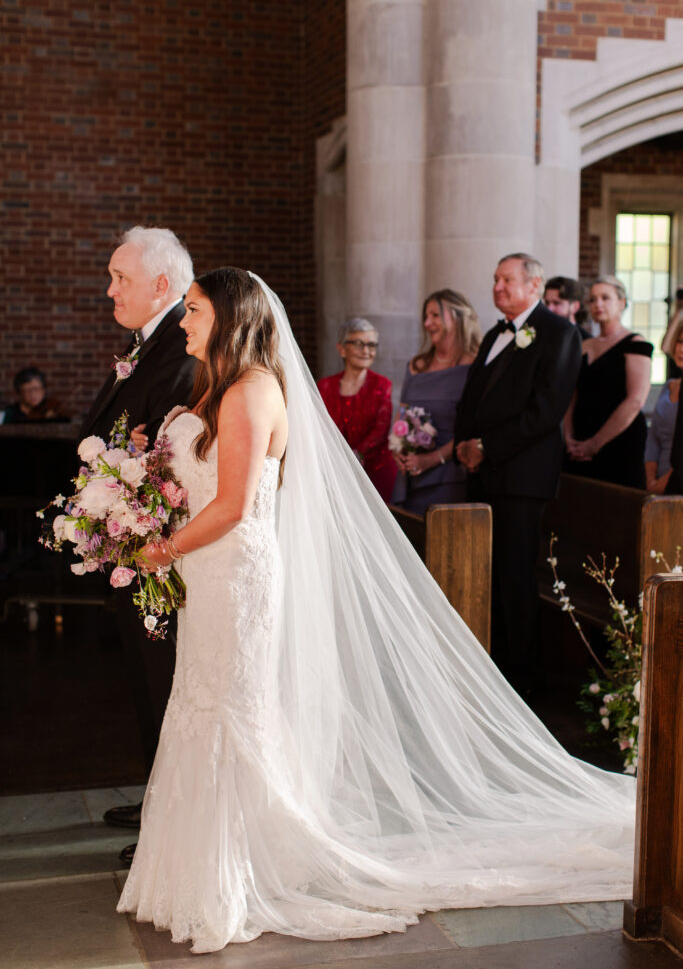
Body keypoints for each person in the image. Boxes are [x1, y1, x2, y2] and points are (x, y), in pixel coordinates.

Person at [117, 267, 634, 954]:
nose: (183, 322)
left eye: (195, 310)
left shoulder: (250, 392)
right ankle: (197, 862)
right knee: (202, 703)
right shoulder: (215, 389)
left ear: (232, 320)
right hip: (209, 573)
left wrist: (161, 550)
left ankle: (241, 863)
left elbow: (236, 505)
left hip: (235, 574)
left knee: (230, 708)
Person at [81, 225, 197, 852]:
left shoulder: (183, 351)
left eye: (119, 278)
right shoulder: (145, 345)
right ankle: (161, 796)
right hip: (133, 548)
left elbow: (163, 457)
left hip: (162, 555)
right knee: (146, 680)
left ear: (161, 285)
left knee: (167, 682)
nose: (109, 290)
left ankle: (174, 822)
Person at [454, 254, 582, 696]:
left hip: (523, 478)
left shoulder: (560, 333)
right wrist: (462, 442)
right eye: (494, 280)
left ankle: (521, 681)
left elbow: (547, 411)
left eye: (507, 280)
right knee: (486, 573)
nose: (498, 287)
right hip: (482, 473)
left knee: (514, 575)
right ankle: (489, 668)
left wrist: (487, 446)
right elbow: (472, 396)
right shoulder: (495, 332)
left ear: (534, 284)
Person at [392, 290, 481, 516]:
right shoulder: (417, 365)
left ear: (458, 317)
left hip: (451, 476)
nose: (427, 323)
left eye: (435, 315)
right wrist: (398, 451)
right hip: (411, 476)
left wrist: (431, 459)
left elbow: (473, 427)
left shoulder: (476, 367)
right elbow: (402, 416)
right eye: (426, 316)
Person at [564, 276, 652, 489]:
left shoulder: (636, 344)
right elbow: (571, 394)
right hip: (579, 439)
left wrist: (595, 444)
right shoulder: (583, 344)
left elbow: (635, 400)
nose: (598, 304)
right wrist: (568, 438)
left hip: (619, 440)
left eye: (605, 298)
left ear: (622, 303)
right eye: (593, 299)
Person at [317, 318, 396, 501]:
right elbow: (320, 427)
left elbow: (381, 430)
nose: (366, 351)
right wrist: (337, 459)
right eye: (359, 344)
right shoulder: (324, 386)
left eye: (371, 345)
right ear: (342, 349)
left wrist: (354, 456)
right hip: (335, 469)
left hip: (375, 470)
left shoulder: (382, 384)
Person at [645, 320, 683, 493]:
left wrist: (662, 484)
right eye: (680, 342)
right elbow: (653, 438)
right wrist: (650, 480)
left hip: (676, 482)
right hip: (657, 481)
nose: (681, 349)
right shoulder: (669, 386)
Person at [2, 367, 68, 423]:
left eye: (36, 389)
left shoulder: (53, 408)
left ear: (43, 389)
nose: (32, 394)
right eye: (27, 390)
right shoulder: (9, 414)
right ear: (19, 392)